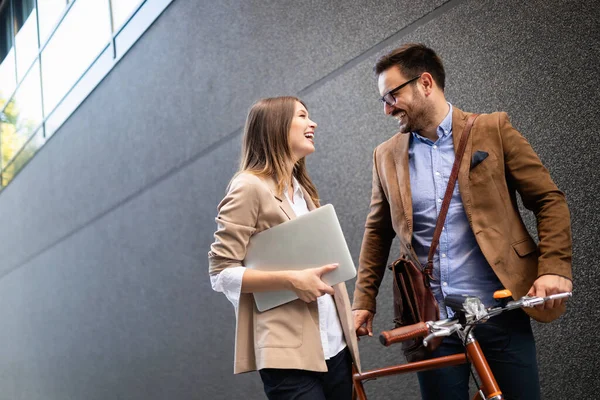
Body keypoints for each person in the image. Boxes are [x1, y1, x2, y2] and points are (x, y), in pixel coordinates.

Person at [352, 43, 572, 400]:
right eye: (383, 100)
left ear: (425, 83)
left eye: (391, 95)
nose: (387, 108)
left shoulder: (492, 129)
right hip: (433, 322)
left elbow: (548, 200)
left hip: (499, 309)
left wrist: (554, 266)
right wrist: (363, 300)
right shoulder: (385, 155)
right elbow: (377, 232)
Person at [208, 96, 360, 400]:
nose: (312, 123)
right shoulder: (249, 187)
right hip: (289, 355)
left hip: (337, 346)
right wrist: (291, 280)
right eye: (302, 116)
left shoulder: (302, 190)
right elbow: (221, 273)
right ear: (276, 126)